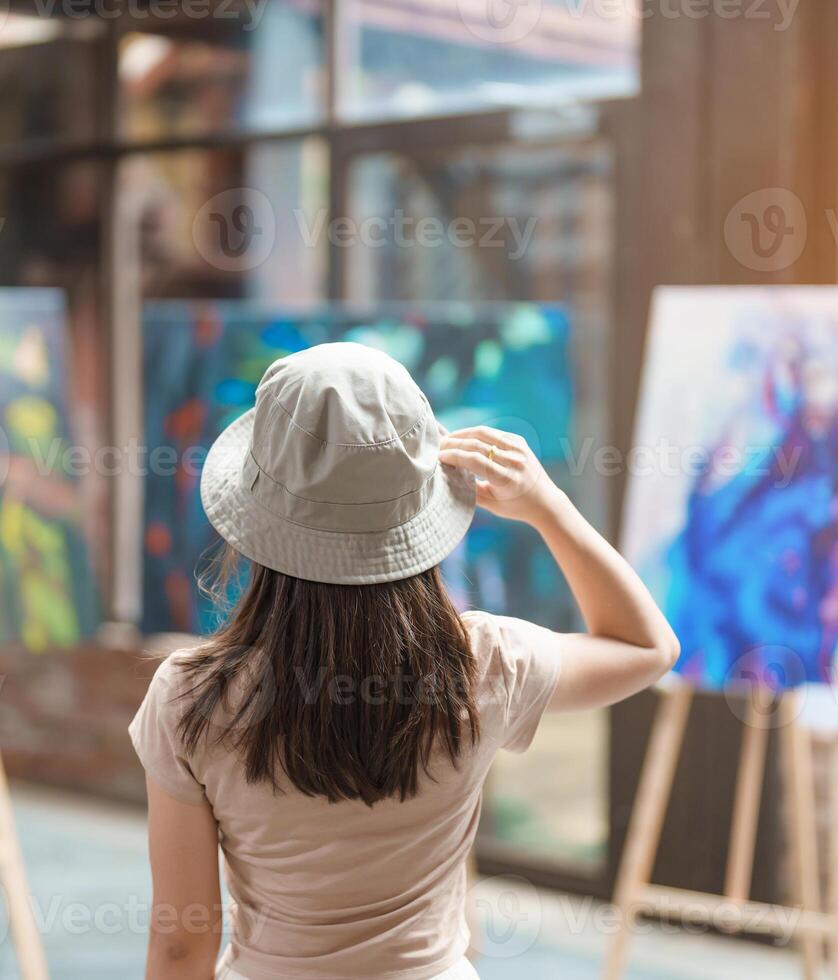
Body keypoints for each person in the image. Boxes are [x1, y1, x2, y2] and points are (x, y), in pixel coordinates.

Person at [130, 343, 679, 980]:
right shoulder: (486, 665)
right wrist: (547, 507)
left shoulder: (190, 697)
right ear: (420, 507)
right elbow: (647, 647)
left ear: (258, 515)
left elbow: (182, 944)